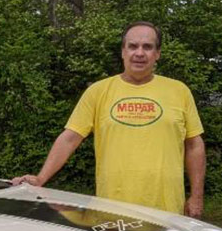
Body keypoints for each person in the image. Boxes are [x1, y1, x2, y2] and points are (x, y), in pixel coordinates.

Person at [12, 21, 206, 217]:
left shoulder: (179, 91)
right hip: (112, 209)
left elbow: (194, 145)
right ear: (123, 51)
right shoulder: (98, 91)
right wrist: (41, 178)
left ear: (157, 53)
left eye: (147, 47)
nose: (139, 53)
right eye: (132, 46)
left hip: (168, 210)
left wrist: (196, 196)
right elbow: (70, 138)